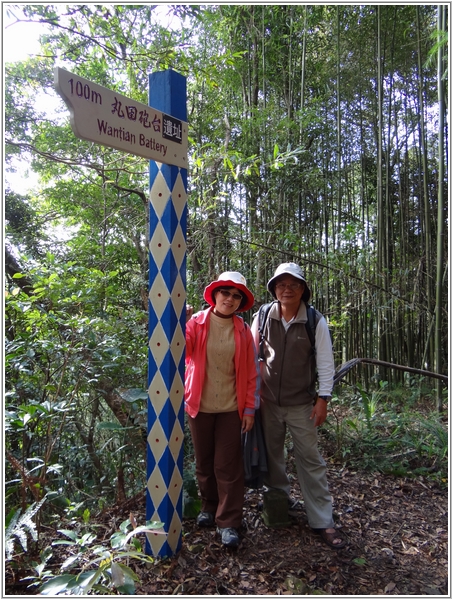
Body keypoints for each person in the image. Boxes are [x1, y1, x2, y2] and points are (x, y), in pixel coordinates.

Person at [251, 262, 346, 549]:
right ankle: (279, 502)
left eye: (293, 285)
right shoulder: (264, 315)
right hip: (267, 401)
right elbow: (249, 352)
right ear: (274, 289)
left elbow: (326, 365)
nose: (287, 289)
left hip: (302, 403)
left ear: (303, 289)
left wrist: (323, 400)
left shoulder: (315, 321)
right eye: (281, 284)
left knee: (310, 459)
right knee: (272, 456)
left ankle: (321, 518)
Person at [185, 272, 259, 548]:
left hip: (231, 407)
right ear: (215, 295)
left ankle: (228, 521)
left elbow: (251, 372)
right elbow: (184, 350)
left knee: (227, 465)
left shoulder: (242, 330)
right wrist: (181, 323)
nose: (229, 299)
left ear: (240, 302)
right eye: (225, 293)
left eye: (236, 295)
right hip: (199, 405)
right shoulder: (197, 322)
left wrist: (250, 409)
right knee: (204, 462)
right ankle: (208, 507)